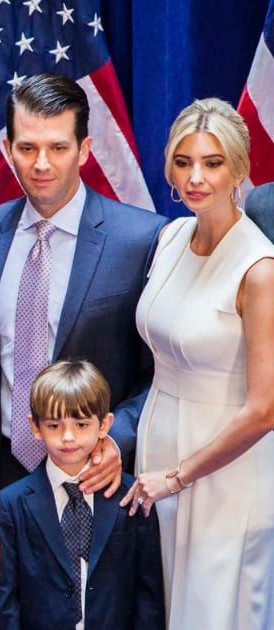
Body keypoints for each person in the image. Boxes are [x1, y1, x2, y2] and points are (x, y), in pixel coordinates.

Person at [123, 98, 274, 628]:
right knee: (161, 605)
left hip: (227, 469)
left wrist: (179, 476)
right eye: (184, 162)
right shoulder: (170, 237)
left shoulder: (260, 269)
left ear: (238, 169)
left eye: (212, 163)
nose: (196, 177)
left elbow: (265, 410)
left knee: (214, 610)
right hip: (159, 446)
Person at [0, 73, 167, 491]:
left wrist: (117, 439)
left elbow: (163, 371)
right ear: (8, 150)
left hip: (97, 474)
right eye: (27, 148)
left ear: (84, 150)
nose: (42, 164)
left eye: (58, 148)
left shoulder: (140, 240)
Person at [0, 361, 163, 630]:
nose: (68, 437)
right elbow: (6, 599)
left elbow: (148, 595)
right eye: (54, 426)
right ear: (35, 427)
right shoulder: (11, 503)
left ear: (105, 424)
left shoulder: (132, 496)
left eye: (82, 424)